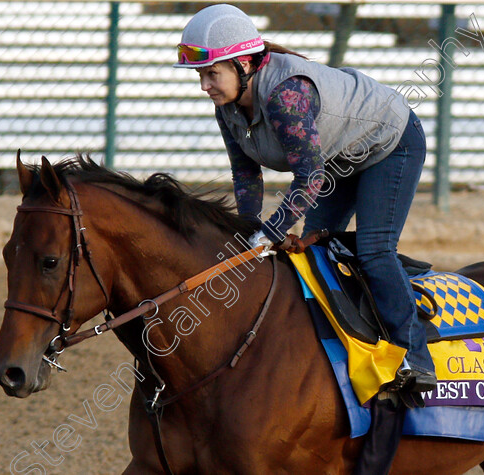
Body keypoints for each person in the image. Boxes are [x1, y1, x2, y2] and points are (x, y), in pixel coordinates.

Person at [175, 4, 436, 391]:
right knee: (315, 250)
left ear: (244, 65)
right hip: (337, 156)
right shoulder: (226, 106)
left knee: (374, 248)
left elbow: (309, 175)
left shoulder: (286, 96)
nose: (204, 85)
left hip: (390, 143)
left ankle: (413, 355)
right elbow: (246, 172)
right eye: (200, 75)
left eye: (212, 73)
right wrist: (248, 231)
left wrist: (271, 230)